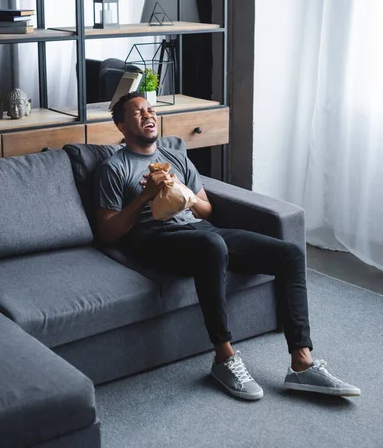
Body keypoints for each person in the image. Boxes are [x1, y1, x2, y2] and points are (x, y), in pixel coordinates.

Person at [95, 92, 361, 400]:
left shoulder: (176, 157)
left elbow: (207, 209)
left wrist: (185, 195)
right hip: (156, 240)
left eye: (150, 109)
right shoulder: (114, 168)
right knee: (212, 245)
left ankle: (302, 364)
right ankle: (224, 358)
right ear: (122, 127)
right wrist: (145, 196)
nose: (148, 115)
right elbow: (106, 232)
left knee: (289, 253)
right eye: (138, 113)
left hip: (201, 230)